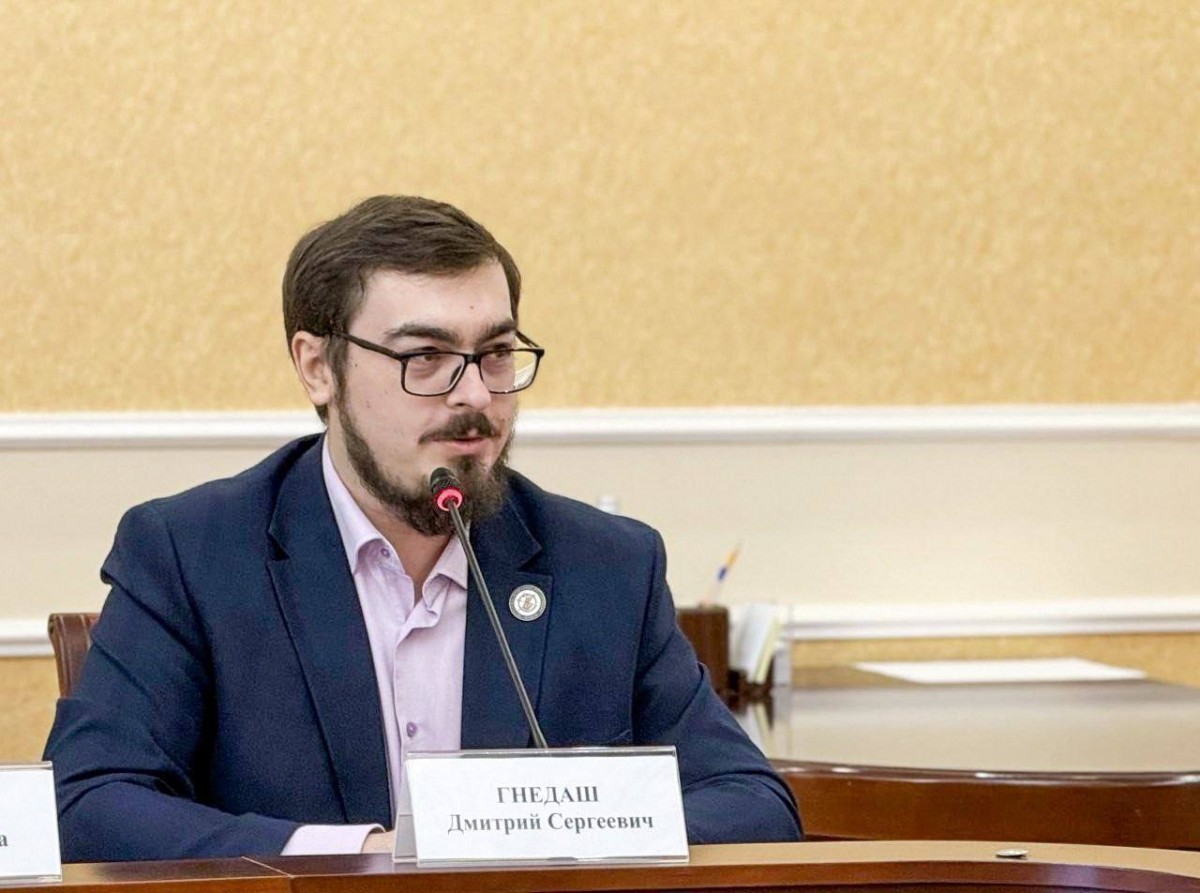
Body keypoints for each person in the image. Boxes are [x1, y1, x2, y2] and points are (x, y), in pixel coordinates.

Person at [44, 195, 802, 862]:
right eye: (427, 357)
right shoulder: (192, 554)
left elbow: (752, 805)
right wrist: (365, 858)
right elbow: (89, 804)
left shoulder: (606, 566)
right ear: (318, 367)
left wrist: (560, 838)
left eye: (495, 354)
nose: (475, 396)